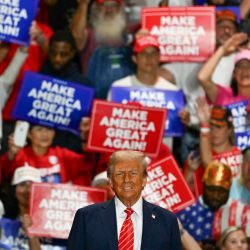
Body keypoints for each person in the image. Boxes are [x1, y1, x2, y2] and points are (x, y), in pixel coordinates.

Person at [68, 150, 182, 250]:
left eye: (133, 173)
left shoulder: (168, 221)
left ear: (144, 180)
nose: (126, 179)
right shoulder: (86, 217)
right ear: (111, 181)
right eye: (119, 173)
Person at [108, 34, 189, 150]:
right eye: (144, 53)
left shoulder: (172, 91)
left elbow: (178, 130)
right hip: (127, 157)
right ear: (134, 58)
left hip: (160, 160)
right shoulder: (119, 88)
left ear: (159, 57)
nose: (149, 58)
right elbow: (109, 128)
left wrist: (184, 122)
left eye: (153, 54)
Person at [39, 29, 92, 153]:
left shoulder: (84, 86)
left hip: (71, 154)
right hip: (39, 152)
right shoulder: (37, 80)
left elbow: (84, 129)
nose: (57, 59)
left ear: (73, 53)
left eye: (63, 54)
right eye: (53, 53)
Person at [71, 0, 136, 99]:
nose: (109, 10)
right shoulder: (88, 34)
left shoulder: (131, 32)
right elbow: (75, 37)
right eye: (103, 5)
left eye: (113, 5)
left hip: (127, 102)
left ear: (120, 8)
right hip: (94, 101)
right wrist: (83, 5)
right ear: (96, 9)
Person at [0, 124, 95, 186]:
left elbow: (87, 165)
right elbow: (4, 172)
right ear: (29, 134)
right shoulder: (20, 154)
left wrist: (86, 140)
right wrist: (11, 155)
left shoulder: (62, 154)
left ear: (54, 133)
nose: (45, 134)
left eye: (49, 129)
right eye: (39, 129)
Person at [198, 33, 250, 105]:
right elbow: (202, 78)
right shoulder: (224, 95)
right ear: (234, 74)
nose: (245, 70)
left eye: (249, 66)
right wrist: (222, 50)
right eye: (240, 66)